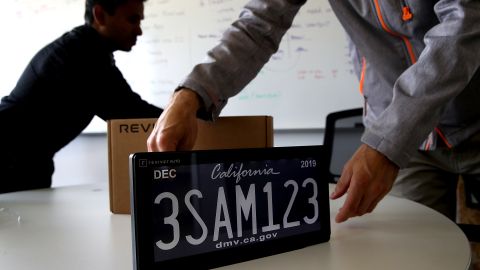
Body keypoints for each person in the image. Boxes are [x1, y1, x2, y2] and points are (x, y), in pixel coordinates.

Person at [146, 0, 480, 224]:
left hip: (450, 121)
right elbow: (258, 25)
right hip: (406, 139)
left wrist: (388, 140)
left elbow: (465, 25)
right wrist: (191, 94)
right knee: (414, 257)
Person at [0, 0, 163, 193]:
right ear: (100, 15)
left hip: (21, 161)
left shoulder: (85, 47)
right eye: (132, 20)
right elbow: (130, 111)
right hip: (9, 163)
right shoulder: (84, 55)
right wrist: (188, 115)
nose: (139, 31)